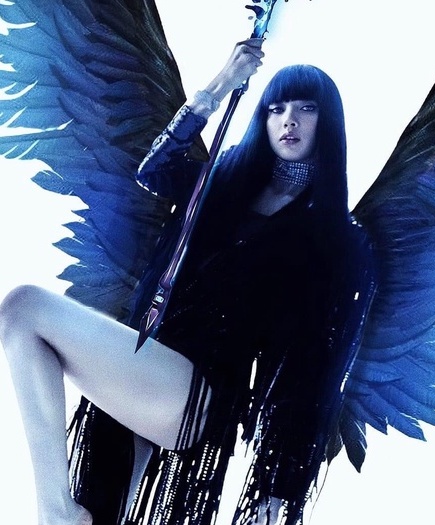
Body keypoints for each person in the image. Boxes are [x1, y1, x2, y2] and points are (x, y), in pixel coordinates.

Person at [0, 38, 376, 525]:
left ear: (329, 122)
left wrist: (276, 493)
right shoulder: (223, 184)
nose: (289, 120)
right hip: (149, 357)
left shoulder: (337, 240)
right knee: (104, 507)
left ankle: (54, 515)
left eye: (306, 108)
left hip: (200, 393)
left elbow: (314, 372)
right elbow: (155, 171)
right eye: (276, 108)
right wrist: (222, 83)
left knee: (24, 308)